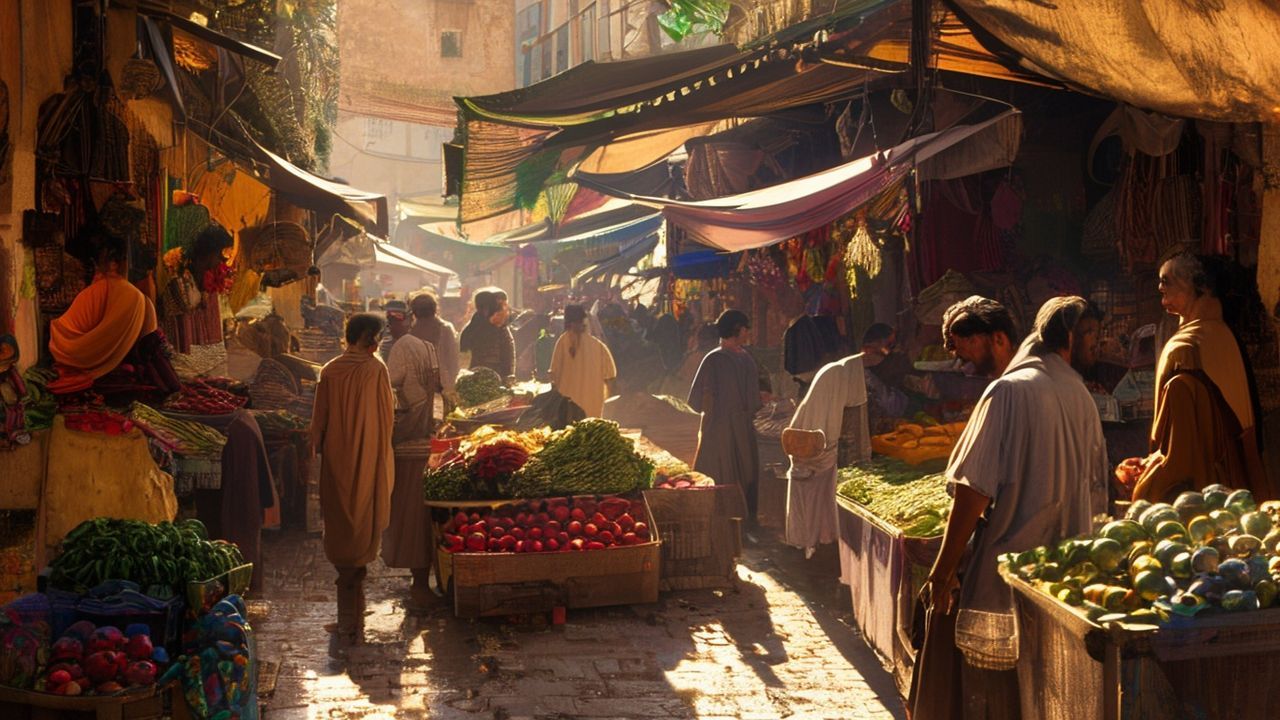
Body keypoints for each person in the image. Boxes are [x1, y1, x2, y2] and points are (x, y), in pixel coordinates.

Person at [908, 297, 1108, 720]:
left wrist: (942, 574)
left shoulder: (1008, 391)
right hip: (1062, 588)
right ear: (1067, 340)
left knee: (990, 701)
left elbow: (973, 491)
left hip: (1004, 585)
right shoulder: (1081, 395)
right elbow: (1096, 497)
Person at [1116, 253, 1271, 501]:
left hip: (1199, 497)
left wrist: (1142, 481)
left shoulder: (1186, 351)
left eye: (1167, 280)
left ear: (1200, 286)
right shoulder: (1222, 335)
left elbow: (1179, 459)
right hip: (1235, 487)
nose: (1159, 287)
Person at [310, 313, 395, 646]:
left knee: (342, 521)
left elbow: (317, 425)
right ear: (368, 340)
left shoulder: (331, 370)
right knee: (361, 522)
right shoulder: (375, 371)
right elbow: (388, 418)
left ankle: (349, 614)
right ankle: (351, 616)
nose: (376, 345)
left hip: (336, 459)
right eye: (374, 339)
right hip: (368, 457)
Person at [47, 230, 181, 395]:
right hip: (119, 372)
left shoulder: (98, 291)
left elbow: (65, 332)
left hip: (85, 362)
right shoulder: (135, 296)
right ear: (119, 263)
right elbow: (145, 340)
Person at [382, 301, 443, 610]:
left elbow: (390, 393)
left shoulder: (399, 349)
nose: (391, 325)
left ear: (405, 320)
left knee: (411, 517)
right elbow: (439, 389)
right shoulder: (427, 347)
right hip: (428, 442)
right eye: (389, 320)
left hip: (408, 445)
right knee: (423, 516)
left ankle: (419, 583)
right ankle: (424, 581)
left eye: (394, 320)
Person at [688, 310, 764, 525]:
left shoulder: (737, 358)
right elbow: (706, 397)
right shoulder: (719, 359)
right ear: (737, 329)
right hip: (726, 427)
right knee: (734, 473)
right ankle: (732, 519)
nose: (748, 332)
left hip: (728, 427)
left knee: (728, 473)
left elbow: (699, 400)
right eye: (745, 328)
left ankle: (732, 519)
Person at [549, 304, 618, 418]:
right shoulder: (599, 347)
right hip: (593, 412)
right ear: (583, 321)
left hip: (568, 412)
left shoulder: (562, 342)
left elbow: (553, 374)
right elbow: (611, 376)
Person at [409, 291, 461, 409]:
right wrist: (452, 383)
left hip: (416, 388)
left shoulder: (410, 330)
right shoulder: (446, 328)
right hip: (441, 386)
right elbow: (453, 359)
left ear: (414, 311)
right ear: (435, 308)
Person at [459, 288, 515, 380]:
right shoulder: (470, 332)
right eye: (502, 306)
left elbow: (509, 361)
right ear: (488, 311)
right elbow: (464, 366)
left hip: (500, 387)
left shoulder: (503, 330)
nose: (506, 311)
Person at [861, 323, 910, 422]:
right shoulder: (866, 378)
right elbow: (893, 408)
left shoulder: (884, 374)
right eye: (888, 347)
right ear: (868, 349)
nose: (892, 353)